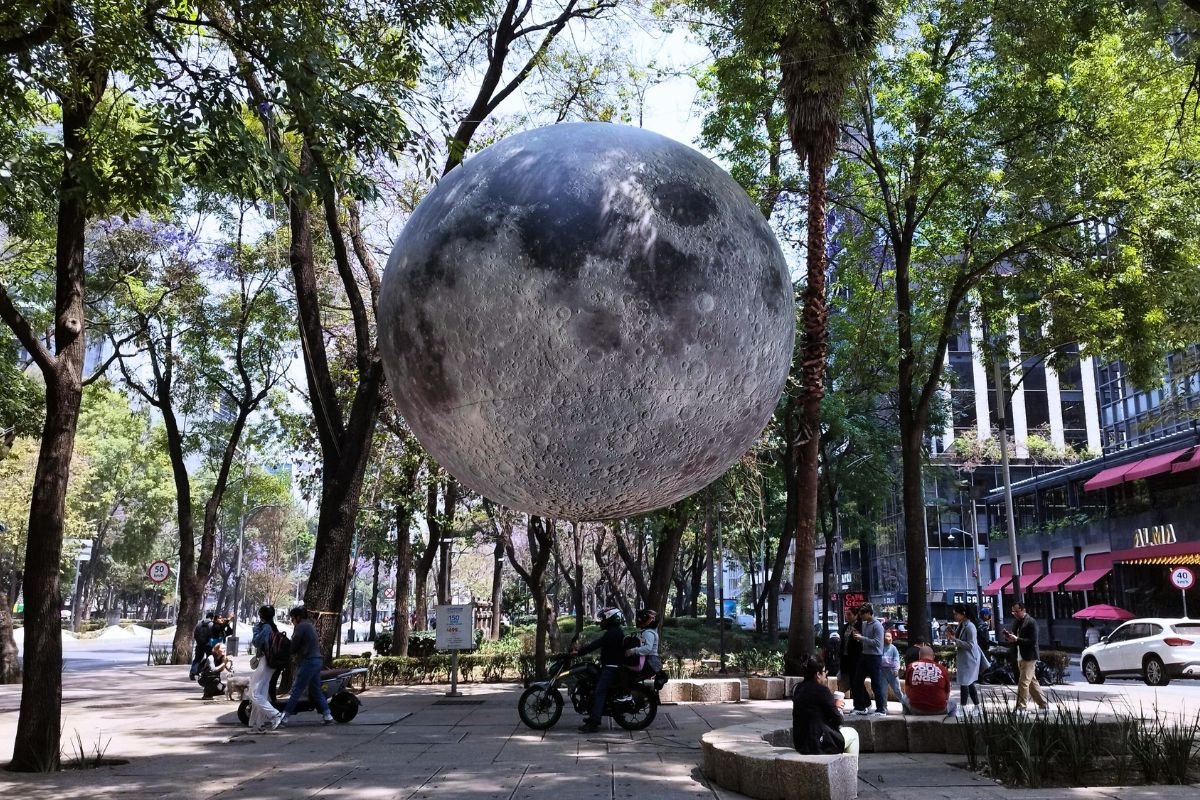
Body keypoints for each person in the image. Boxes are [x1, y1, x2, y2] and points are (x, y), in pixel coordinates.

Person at [792, 656, 860, 755]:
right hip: (818, 743)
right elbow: (839, 720)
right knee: (853, 734)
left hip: (801, 743)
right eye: (824, 672)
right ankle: (851, 769)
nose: (825, 675)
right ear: (818, 674)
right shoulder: (822, 691)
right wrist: (836, 707)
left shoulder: (798, 688)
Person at [573, 607, 626, 733]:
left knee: (599, 691)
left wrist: (579, 652)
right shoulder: (615, 632)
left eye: (604, 619)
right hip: (609, 665)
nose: (602, 621)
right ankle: (593, 715)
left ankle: (594, 722)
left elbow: (596, 644)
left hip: (611, 668)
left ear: (611, 619)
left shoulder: (613, 633)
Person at [282, 606, 333, 725]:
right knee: (315, 690)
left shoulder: (300, 627)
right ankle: (327, 714)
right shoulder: (309, 625)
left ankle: (284, 717)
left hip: (308, 662)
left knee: (297, 690)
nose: (292, 621)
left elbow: (294, 644)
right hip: (316, 661)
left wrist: (287, 651)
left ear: (298, 617)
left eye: (293, 618)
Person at [1003, 602, 1050, 714]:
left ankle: (1021, 707)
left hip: (1029, 656)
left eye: (1017, 611)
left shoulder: (1031, 622)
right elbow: (1015, 637)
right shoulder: (1016, 622)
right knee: (1032, 683)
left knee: (1023, 682)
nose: (1015, 614)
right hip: (1020, 655)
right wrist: (1009, 637)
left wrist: (1017, 640)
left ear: (1023, 610)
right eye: (1013, 612)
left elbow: (1033, 641)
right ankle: (1043, 705)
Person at [249, 605, 285, 732]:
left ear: (261, 615)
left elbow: (257, 642)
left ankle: (275, 715)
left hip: (265, 661)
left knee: (253, 693)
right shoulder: (272, 627)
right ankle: (258, 724)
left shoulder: (265, 627)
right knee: (262, 692)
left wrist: (255, 630)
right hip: (270, 663)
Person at [946, 603, 983, 716]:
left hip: (970, 659)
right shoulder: (962, 625)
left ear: (963, 614)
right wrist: (954, 636)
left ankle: (963, 708)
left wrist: (954, 640)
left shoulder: (970, 626)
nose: (955, 617)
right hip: (965, 659)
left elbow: (971, 645)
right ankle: (977, 706)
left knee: (965, 683)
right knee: (969, 683)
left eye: (956, 614)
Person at [851, 603, 887, 716]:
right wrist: (859, 638)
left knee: (875, 683)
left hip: (875, 657)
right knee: (857, 681)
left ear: (868, 613)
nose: (861, 617)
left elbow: (877, 643)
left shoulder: (877, 626)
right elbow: (866, 640)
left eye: (862, 614)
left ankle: (881, 709)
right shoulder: (865, 624)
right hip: (864, 655)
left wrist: (861, 638)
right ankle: (860, 707)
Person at [902, 644, 955, 715]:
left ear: (919, 656)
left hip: (916, 709)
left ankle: (907, 722)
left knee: (904, 698)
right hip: (939, 710)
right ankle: (949, 724)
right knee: (953, 702)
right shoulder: (942, 669)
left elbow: (907, 691)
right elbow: (947, 696)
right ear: (933, 657)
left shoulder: (911, 666)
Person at [838, 606, 861, 696]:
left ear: (856, 615)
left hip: (855, 658)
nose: (847, 616)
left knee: (855, 681)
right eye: (846, 614)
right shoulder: (845, 626)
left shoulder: (859, 626)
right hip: (845, 657)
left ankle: (862, 703)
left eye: (849, 614)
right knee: (845, 680)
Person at [879, 630, 903, 708]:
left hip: (892, 671)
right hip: (882, 671)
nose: (889, 638)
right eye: (887, 636)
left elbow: (896, 660)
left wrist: (896, 670)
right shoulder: (880, 647)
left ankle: (905, 705)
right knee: (883, 691)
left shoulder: (893, 648)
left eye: (890, 637)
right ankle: (884, 707)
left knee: (897, 690)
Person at [190, 610, 215, 681]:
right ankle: (206, 673)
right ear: (212, 617)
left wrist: (198, 641)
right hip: (208, 645)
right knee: (209, 659)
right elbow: (213, 635)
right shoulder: (212, 624)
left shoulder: (199, 624)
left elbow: (195, 634)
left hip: (199, 644)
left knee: (197, 658)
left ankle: (193, 672)